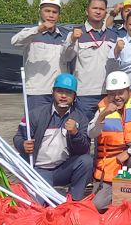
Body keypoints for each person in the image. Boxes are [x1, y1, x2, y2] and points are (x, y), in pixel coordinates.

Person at [13, 73, 92, 201]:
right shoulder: (35, 114)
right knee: (40, 204)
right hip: (40, 169)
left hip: (63, 168)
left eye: (69, 92)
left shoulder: (80, 118)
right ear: (53, 92)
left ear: (75, 96)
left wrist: (75, 134)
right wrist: (23, 145)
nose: (63, 96)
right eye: (59, 91)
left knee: (86, 161)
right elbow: (18, 137)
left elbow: (84, 149)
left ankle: (75, 201)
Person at [88, 71, 131, 211]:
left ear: (129, 91)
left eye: (120, 93)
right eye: (112, 93)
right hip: (110, 166)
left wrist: (130, 152)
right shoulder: (101, 110)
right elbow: (91, 133)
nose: (116, 97)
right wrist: (103, 115)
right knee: (97, 205)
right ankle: (121, 202)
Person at [61, 0, 118, 120]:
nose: (98, 11)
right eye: (94, 8)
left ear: (105, 12)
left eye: (101, 9)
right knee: (83, 132)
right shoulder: (76, 33)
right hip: (84, 94)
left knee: (105, 133)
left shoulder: (113, 35)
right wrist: (72, 40)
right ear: (87, 11)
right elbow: (65, 58)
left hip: (107, 93)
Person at [11, 0, 72, 108]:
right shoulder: (30, 33)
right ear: (40, 12)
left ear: (59, 14)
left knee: (58, 125)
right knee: (36, 125)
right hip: (37, 92)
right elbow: (15, 42)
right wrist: (39, 29)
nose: (51, 15)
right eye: (47, 11)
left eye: (54, 12)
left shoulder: (65, 35)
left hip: (60, 91)